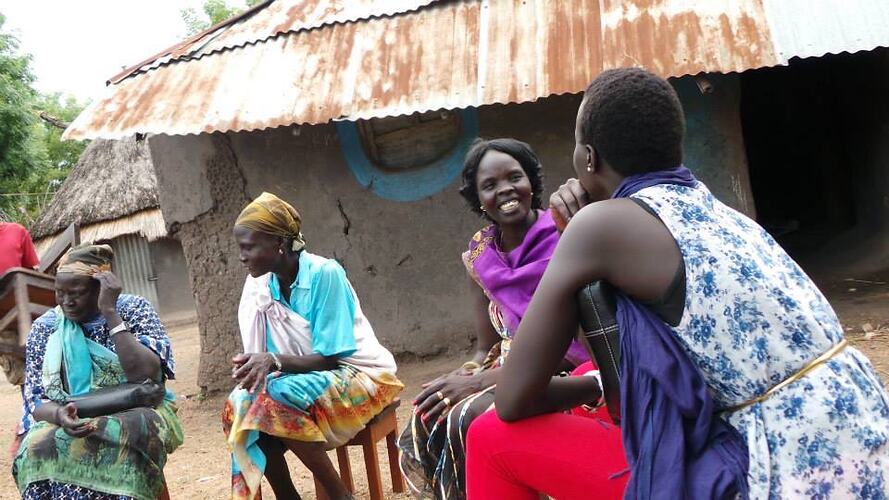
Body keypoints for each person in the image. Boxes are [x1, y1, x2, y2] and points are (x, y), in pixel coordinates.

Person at [466, 68, 889, 499]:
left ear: (589, 157)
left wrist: (584, 225)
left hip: (778, 465)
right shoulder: (718, 212)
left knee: (489, 437)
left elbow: (514, 399)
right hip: (863, 434)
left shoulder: (596, 226)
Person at [400, 138, 626, 500]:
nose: (505, 189)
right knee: (430, 410)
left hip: (567, 369)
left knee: (470, 416)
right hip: (510, 365)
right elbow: (483, 347)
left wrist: (484, 383)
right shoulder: (480, 255)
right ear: (477, 198)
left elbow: (569, 347)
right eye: (489, 185)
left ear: (531, 181)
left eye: (514, 177)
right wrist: (466, 373)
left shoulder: (567, 233)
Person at [224, 192, 404, 500]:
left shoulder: (324, 274)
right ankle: (287, 495)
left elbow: (332, 357)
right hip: (303, 381)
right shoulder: (259, 285)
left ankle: (338, 494)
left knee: (274, 398)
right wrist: (253, 365)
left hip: (359, 374)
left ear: (279, 244)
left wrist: (273, 360)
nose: (242, 256)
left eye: (249, 247)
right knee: (238, 404)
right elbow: (270, 358)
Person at [13, 243, 183, 500]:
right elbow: (36, 400)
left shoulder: (134, 309)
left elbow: (145, 374)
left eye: (77, 293)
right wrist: (60, 414)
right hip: (67, 414)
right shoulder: (46, 327)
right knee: (37, 447)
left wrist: (111, 313)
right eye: (60, 293)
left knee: (125, 439)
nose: (67, 301)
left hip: (135, 409)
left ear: (101, 287)